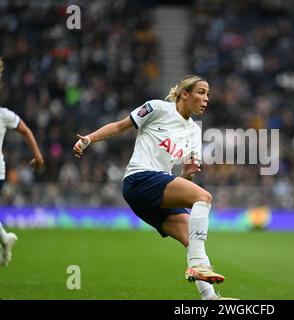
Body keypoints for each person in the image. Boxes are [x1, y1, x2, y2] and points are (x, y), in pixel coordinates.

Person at [73, 75, 236, 300]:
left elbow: (184, 178)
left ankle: (210, 299)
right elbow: (120, 126)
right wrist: (88, 140)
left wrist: (187, 174)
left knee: (191, 237)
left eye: (208, 94)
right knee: (204, 197)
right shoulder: (157, 108)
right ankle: (198, 268)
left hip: (156, 189)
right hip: (139, 179)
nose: (206, 98)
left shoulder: (194, 131)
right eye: (201, 92)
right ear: (184, 95)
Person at [0, 58, 45, 266]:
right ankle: (5, 238)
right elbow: (26, 130)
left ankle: (4, 238)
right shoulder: (4, 114)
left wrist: (38, 155)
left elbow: (26, 130)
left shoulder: (4, 114)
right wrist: (37, 155)